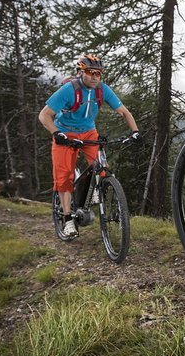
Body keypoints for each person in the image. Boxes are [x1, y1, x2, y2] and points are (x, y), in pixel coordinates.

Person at [39, 54, 140, 238]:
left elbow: (124, 112)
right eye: (90, 73)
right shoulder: (69, 90)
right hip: (65, 133)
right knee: (64, 177)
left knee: (101, 167)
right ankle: (68, 219)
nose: (94, 77)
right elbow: (44, 115)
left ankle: (96, 188)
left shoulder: (102, 90)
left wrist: (135, 132)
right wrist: (56, 133)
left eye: (98, 74)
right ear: (80, 72)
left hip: (88, 132)